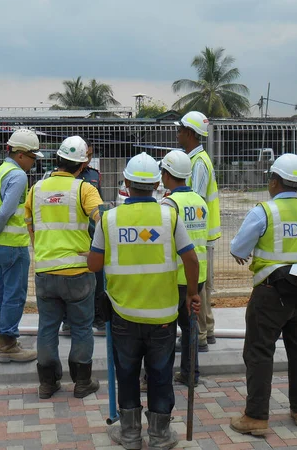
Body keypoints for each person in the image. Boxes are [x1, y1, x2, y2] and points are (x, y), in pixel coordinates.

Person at [88, 152, 201, 450]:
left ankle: (129, 434)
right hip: (163, 316)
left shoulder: (109, 219)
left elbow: (94, 266)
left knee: (126, 373)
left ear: (126, 182)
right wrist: (192, 292)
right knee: (161, 374)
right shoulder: (169, 216)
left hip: (124, 315)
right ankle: (161, 436)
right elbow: (191, 257)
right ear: (156, 185)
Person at [229, 154, 297, 435]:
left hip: (271, 293)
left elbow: (237, 249)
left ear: (273, 181)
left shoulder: (264, 211)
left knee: (259, 351)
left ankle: (256, 417)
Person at [26, 136, 103, 399]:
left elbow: (29, 222)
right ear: (82, 165)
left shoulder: (36, 189)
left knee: (47, 327)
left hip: (45, 271)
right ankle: (82, 383)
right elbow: (102, 219)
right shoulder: (84, 190)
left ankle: (47, 384)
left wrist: (42, 249)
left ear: (57, 160)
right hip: (78, 271)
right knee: (82, 328)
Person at [0, 129, 42, 363]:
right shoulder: (18, 176)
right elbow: (4, 212)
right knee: (14, 295)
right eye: (33, 156)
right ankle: (9, 345)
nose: (34, 162)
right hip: (13, 246)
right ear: (21, 154)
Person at [160, 150, 208, 387]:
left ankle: (159, 375)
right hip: (198, 276)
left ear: (167, 175)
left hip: (175, 277)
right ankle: (191, 375)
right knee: (190, 329)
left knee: (166, 329)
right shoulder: (200, 201)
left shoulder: (169, 204)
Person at [176, 111, 219, 352]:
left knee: (197, 285)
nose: (178, 133)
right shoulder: (195, 159)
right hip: (201, 236)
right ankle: (207, 330)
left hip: (197, 236)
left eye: (180, 130)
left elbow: (196, 202)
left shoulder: (198, 163)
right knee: (203, 285)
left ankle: (200, 335)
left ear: (190, 133)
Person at [61, 139, 106, 333]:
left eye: (89, 155)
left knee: (97, 278)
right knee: (71, 278)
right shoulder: (65, 178)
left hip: (93, 233)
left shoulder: (94, 176)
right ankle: (69, 321)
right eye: (84, 155)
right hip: (72, 233)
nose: (86, 158)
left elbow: (100, 205)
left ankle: (98, 318)